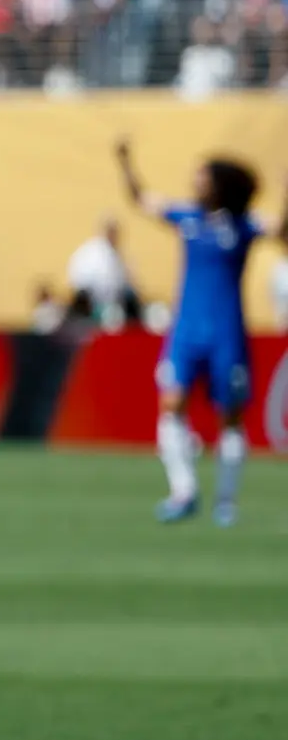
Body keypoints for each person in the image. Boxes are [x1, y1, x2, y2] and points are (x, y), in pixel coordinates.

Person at [116, 139, 273, 526]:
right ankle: (183, 491)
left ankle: (225, 501)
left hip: (227, 333)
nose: (195, 181)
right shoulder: (187, 219)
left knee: (230, 418)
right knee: (171, 405)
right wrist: (124, 161)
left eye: (202, 176)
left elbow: (280, 227)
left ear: (220, 185)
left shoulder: (242, 227)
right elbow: (141, 199)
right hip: (186, 329)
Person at [66, 215, 138, 329]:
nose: (113, 234)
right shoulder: (90, 253)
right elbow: (79, 285)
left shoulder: (119, 255)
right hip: (91, 309)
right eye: (111, 230)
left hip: (114, 309)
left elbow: (126, 285)